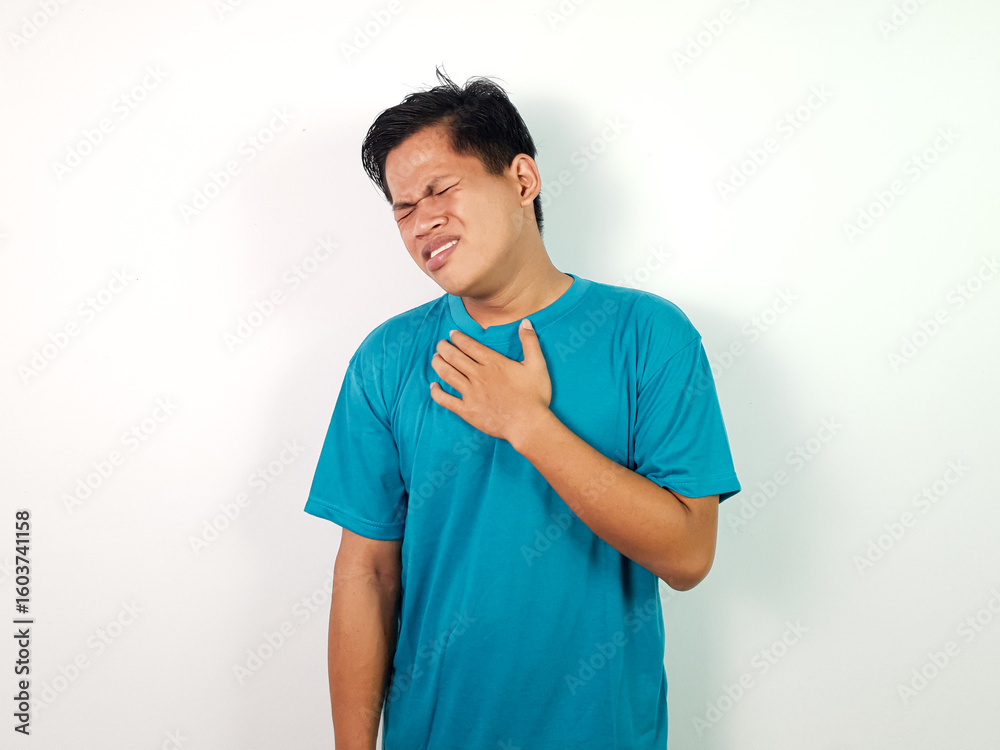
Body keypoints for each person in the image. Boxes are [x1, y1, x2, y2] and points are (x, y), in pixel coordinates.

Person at [304, 65, 741, 750]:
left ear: (522, 180)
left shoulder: (649, 335)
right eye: (403, 208)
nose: (423, 221)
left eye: (440, 189)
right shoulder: (387, 358)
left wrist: (528, 424)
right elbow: (367, 573)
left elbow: (688, 556)